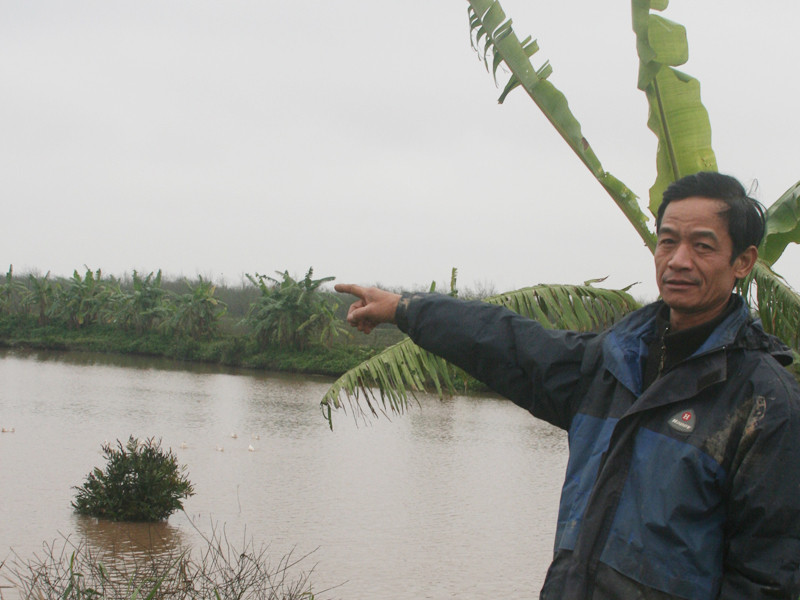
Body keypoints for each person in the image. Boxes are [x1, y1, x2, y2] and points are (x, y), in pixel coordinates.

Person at [335, 171, 800, 600]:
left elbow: (770, 575)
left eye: (702, 246)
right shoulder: (611, 364)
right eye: (667, 241)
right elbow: (507, 343)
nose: (678, 260)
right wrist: (406, 308)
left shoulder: (763, 400)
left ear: (742, 261)